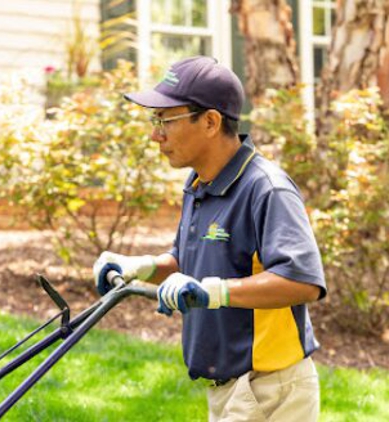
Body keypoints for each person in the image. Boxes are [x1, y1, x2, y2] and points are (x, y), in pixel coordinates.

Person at [93, 56, 327, 421]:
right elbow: (190, 262)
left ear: (211, 121)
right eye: (155, 121)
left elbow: (302, 280)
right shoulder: (200, 184)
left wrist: (214, 292)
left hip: (271, 391)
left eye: (165, 120)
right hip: (228, 389)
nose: (156, 134)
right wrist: (141, 266)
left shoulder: (266, 189)